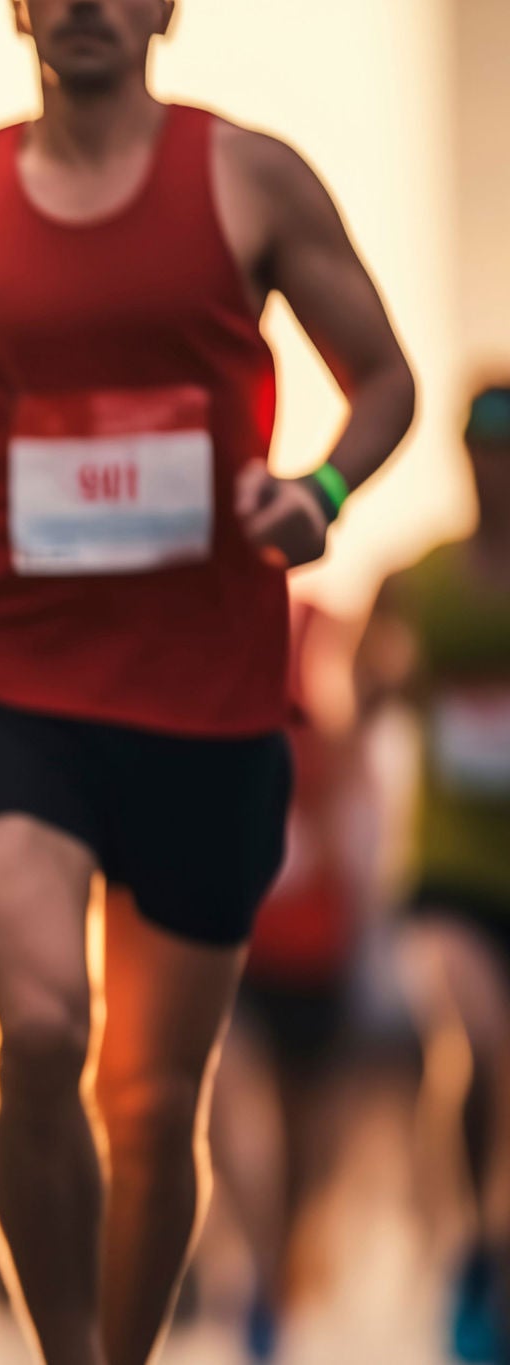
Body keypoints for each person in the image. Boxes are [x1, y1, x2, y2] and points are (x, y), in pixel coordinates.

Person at [0, 2, 417, 1362]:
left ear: (163, 10)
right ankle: (65, 1342)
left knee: (150, 1102)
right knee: (34, 1023)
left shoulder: (250, 180)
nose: (85, 4)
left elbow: (383, 378)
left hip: (206, 694)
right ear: (20, 12)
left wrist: (322, 487)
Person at [363, 383, 510, 1364]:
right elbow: (352, 694)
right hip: (443, 866)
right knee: (479, 1044)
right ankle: (467, 1246)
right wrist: (392, 671)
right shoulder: (416, 580)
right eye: (482, 451)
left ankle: (493, 1258)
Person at [203, 599, 370, 1361]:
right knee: (226, 1099)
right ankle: (252, 1260)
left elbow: (353, 797)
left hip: (317, 940)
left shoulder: (329, 653)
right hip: (236, 941)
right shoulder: (200, 666)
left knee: (302, 1131)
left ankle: (280, 1253)